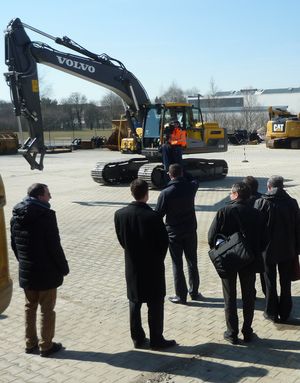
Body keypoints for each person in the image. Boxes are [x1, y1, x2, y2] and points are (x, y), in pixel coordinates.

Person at [114, 178, 176, 350]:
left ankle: (137, 338)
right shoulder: (153, 216)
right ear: (147, 194)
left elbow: (121, 239)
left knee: (134, 302)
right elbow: (163, 243)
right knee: (155, 304)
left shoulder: (120, 214)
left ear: (132, 193)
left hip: (132, 266)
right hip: (152, 267)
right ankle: (156, 339)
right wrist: (157, 259)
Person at [10, 183, 69, 357]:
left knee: (29, 307)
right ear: (39, 196)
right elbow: (54, 246)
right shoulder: (46, 216)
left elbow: (14, 244)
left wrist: (24, 262)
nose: (50, 197)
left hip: (27, 271)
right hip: (46, 273)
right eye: (48, 193)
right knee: (47, 310)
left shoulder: (16, 215)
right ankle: (46, 346)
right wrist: (63, 267)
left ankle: (30, 343)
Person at [208, 182, 264, 344]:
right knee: (248, 297)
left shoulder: (224, 211)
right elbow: (265, 239)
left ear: (236, 194)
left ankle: (232, 333)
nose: (230, 195)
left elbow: (211, 237)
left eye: (231, 193)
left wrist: (221, 248)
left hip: (228, 260)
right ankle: (247, 331)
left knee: (230, 298)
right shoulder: (257, 214)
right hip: (250, 260)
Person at [254, 175, 300, 323]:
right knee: (285, 282)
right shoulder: (292, 203)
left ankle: (271, 312)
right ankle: (286, 312)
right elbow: (298, 228)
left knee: (270, 282)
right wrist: (297, 249)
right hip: (287, 249)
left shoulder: (261, 203)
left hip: (267, 251)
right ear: (282, 187)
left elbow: (256, 229)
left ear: (269, 187)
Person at [156, 163, 201, 304]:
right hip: (190, 230)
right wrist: (184, 173)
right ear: (182, 173)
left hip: (174, 232)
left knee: (177, 263)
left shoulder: (166, 193)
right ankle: (194, 292)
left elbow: (158, 214)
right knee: (192, 261)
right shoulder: (191, 187)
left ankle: (181, 295)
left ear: (169, 175)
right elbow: (194, 179)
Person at [243, 175, 266, 296]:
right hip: (263, 240)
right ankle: (267, 292)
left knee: (249, 270)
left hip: (249, 241)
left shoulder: (245, 201)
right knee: (264, 270)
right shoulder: (263, 199)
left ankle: (251, 293)